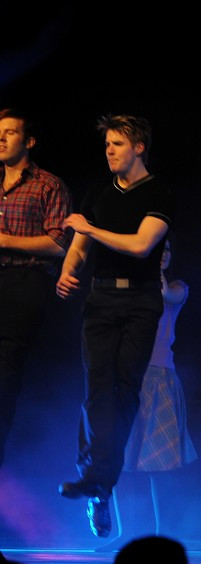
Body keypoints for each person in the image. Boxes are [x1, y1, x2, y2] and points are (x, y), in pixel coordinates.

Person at [56, 115, 174, 539]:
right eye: (106, 143)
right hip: (101, 298)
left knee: (123, 393)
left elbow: (142, 245)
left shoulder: (158, 192)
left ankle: (99, 482)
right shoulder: (98, 195)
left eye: (118, 143)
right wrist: (68, 271)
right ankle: (97, 481)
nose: (109, 150)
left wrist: (89, 228)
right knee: (97, 390)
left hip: (141, 301)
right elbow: (79, 246)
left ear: (139, 147)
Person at [0, 108, 73, 468]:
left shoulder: (47, 184)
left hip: (24, 282)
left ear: (28, 141)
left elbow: (59, 243)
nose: (1, 139)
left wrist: (4, 240)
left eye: (9, 132)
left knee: (5, 372)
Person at [115, 235, 197, 541]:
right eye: (157, 249)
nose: (163, 254)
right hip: (129, 376)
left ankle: (165, 536)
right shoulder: (131, 289)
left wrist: (151, 264)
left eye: (167, 250)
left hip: (159, 377)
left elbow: (167, 294)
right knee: (123, 461)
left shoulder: (177, 287)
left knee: (159, 465)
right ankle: (126, 534)